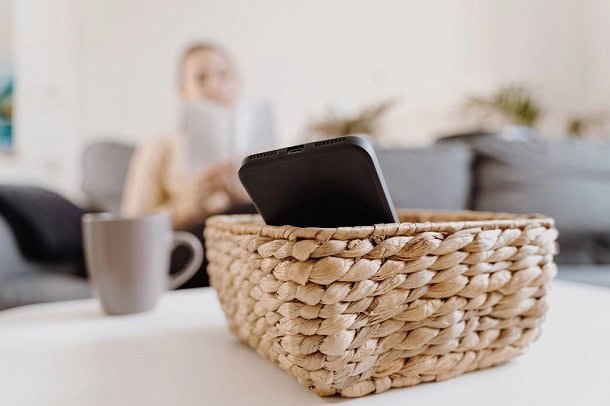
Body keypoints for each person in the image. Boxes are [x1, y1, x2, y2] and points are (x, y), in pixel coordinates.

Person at [121, 42, 248, 230]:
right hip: (186, 244)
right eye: (201, 78)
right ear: (183, 90)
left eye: (223, 75)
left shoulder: (256, 151)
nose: (215, 87)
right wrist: (180, 210)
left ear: (237, 82)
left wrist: (245, 198)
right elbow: (130, 226)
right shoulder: (161, 146)